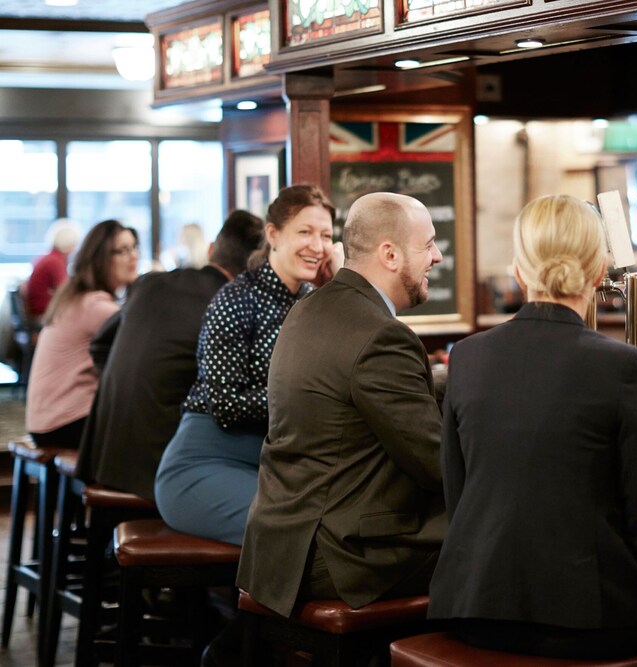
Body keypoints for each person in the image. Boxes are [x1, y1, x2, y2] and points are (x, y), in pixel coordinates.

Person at [427, 194, 637, 659]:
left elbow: (457, 495)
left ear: (519, 271)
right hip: (583, 617)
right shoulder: (621, 364)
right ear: (599, 273)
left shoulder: (468, 356)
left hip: (474, 607)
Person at [237, 192, 446, 619]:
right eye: (427, 244)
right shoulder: (382, 335)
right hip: (340, 557)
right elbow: (438, 463)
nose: (438, 257)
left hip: (279, 547)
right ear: (389, 254)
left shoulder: (309, 308)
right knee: (501, 537)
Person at [154, 185, 338, 546]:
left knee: (344, 521)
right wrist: (302, 396)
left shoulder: (315, 302)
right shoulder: (235, 299)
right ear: (273, 234)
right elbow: (224, 405)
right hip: (203, 465)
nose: (317, 246)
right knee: (305, 533)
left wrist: (345, 278)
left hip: (274, 466)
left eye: (327, 235)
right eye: (305, 232)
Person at [74, 210, 266, 501]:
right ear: (259, 267)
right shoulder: (232, 306)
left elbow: (99, 346)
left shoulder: (151, 282)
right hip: (159, 469)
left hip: (102, 454)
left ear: (212, 250)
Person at [25, 219, 139, 447]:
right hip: (65, 422)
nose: (134, 256)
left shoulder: (77, 297)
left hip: (44, 420)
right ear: (101, 258)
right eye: (123, 250)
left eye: (135, 247)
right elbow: (144, 345)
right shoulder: (95, 307)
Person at [24, 218, 81, 322]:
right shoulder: (54, 261)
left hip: (38, 308)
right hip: (43, 311)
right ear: (70, 244)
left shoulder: (49, 257)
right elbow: (65, 289)